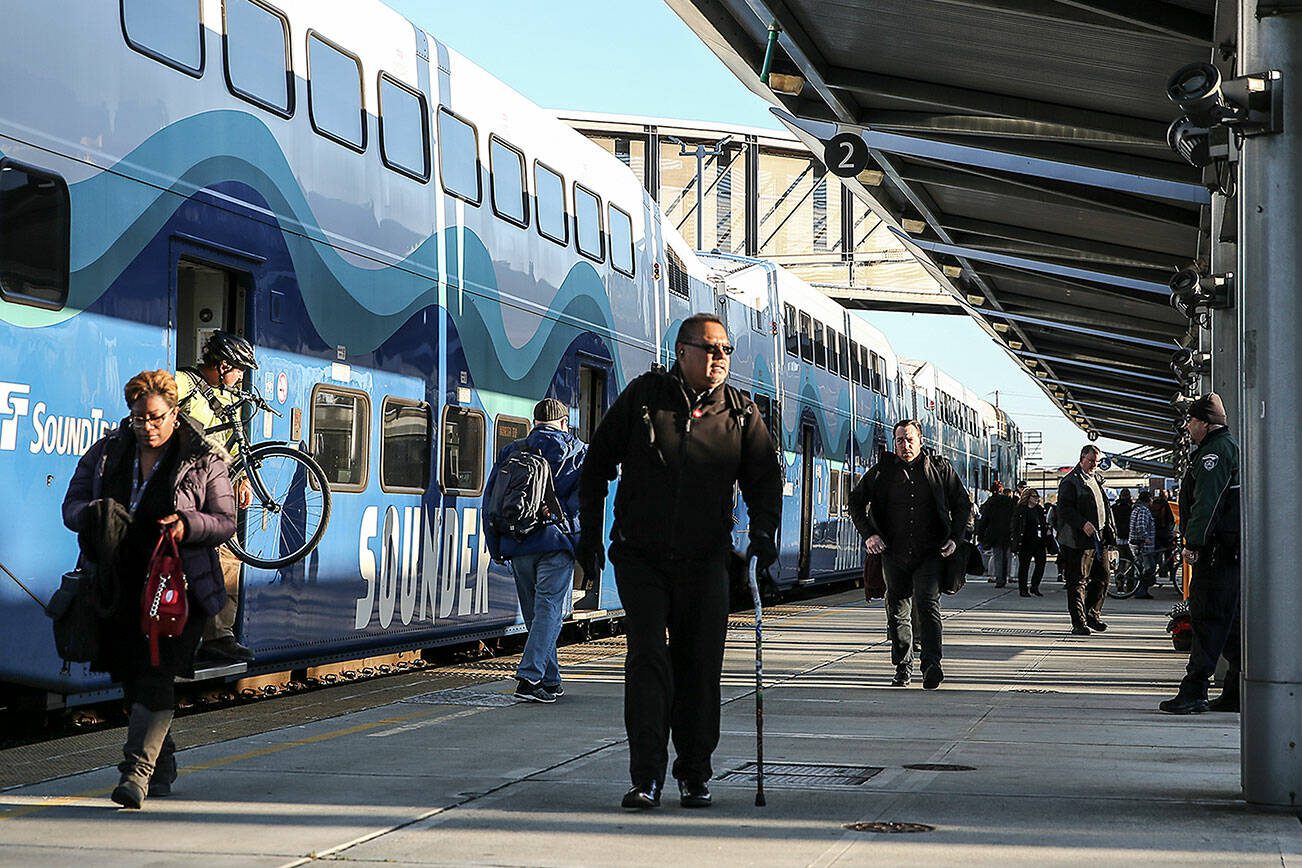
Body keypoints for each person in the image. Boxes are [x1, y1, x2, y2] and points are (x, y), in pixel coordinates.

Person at [577, 313, 781, 811]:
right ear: (682, 351)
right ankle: (645, 777)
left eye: (726, 351)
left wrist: (762, 535)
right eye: (710, 349)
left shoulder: (741, 414)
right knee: (647, 659)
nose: (719, 360)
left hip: (705, 559)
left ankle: (694, 772)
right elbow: (597, 464)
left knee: (699, 666)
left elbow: (764, 481)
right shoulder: (645, 398)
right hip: (641, 556)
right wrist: (589, 536)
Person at [62, 370, 235, 809]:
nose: (147, 427)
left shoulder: (203, 457)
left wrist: (187, 524)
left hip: (181, 587)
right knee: (132, 677)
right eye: (139, 418)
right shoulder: (107, 453)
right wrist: (95, 514)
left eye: (156, 417)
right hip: (120, 583)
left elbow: (225, 520)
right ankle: (163, 764)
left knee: (156, 673)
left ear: (174, 413)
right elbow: (72, 505)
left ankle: (135, 774)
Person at [848, 420, 972, 691]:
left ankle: (931, 665)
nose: (905, 445)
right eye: (900, 440)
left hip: (930, 552)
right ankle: (903, 665)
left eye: (910, 439)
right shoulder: (883, 471)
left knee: (928, 606)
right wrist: (869, 534)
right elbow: (855, 502)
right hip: (893, 553)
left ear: (921, 440)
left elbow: (963, 505)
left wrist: (955, 538)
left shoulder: (940, 469)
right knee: (898, 611)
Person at [485, 398, 587, 703]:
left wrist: (496, 546)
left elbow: (491, 499)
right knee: (549, 610)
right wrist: (580, 546)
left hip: (517, 543)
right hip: (555, 543)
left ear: (535, 423)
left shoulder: (513, 450)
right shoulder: (579, 453)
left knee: (535, 614)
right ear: (564, 423)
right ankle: (530, 678)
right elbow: (587, 505)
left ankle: (550, 680)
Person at [175, 331, 258, 664]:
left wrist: (244, 481)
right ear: (223, 365)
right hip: (183, 490)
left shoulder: (230, 399)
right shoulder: (182, 382)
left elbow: (236, 447)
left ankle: (218, 636)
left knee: (228, 559)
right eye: (239, 369)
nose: (241, 377)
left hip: (214, 491)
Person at [1160, 394, 1241, 715]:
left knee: (1206, 619)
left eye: (1191, 420)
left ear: (1206, 424)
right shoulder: (1225, 448)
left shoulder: (1214, 455)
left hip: (1215, 553)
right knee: (1230, 623)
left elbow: (1207, 504)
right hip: (1228, 552)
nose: (1187, 425)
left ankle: (1193, 690)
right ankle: (1236, 689)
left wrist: (1193, 543)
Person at [1055, 444, 1115, 635]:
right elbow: (1064, 509)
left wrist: (1109, 530)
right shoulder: (1070, 482)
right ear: (1081, 459)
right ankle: (1079, 622)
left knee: (1103, 577)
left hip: (1099, 538)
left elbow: (1104, 506)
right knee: (1078, 581)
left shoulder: (1096, 478)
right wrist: (1082, 523)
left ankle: (1092, 613)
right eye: (1090, 461)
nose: (1093, 465)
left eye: (1096, 462)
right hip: (1077, 540)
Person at [975, 482, 1015, 588]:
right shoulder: (1009, 502)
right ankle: (1005, 576)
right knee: (1007, 555)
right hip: (1007, 532)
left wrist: (981, 534)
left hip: (994, 533)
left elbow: (984, 520)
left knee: (998, 555)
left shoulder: (990, 503)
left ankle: (999, 579)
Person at [1011, 488, 1048, 597]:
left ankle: (1035, 586)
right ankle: (1023, 589)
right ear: (1028, 497)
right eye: (1034, 497)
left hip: (1039, 541)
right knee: (1024, 566)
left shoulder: (1039, 510)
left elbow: (1043, 524)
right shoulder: (1021, 510)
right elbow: (1015, 526)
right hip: (1025, 541)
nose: (1036, 499)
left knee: (1041, 564)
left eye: (1037, 497)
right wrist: (1015, 539)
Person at [1129, 490, 1158, 599]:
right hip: (1144, 545)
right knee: (1149, 568)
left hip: (1136, 543)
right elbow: (1141, 525)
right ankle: (1141, 590)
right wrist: (1146, 538)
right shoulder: (1143, 510)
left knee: (1142, 568)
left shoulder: (1136, 508)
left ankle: (1141, 590)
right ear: (1148, 499)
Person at [1152, 490, 1176, 580]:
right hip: (1166, 534)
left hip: (1156, 533)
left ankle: (1161, 572)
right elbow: (1171, 520)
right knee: (1169, 554)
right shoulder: (1168, 504)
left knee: (1157, 554)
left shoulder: (1154, 504)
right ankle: (1171, 574)